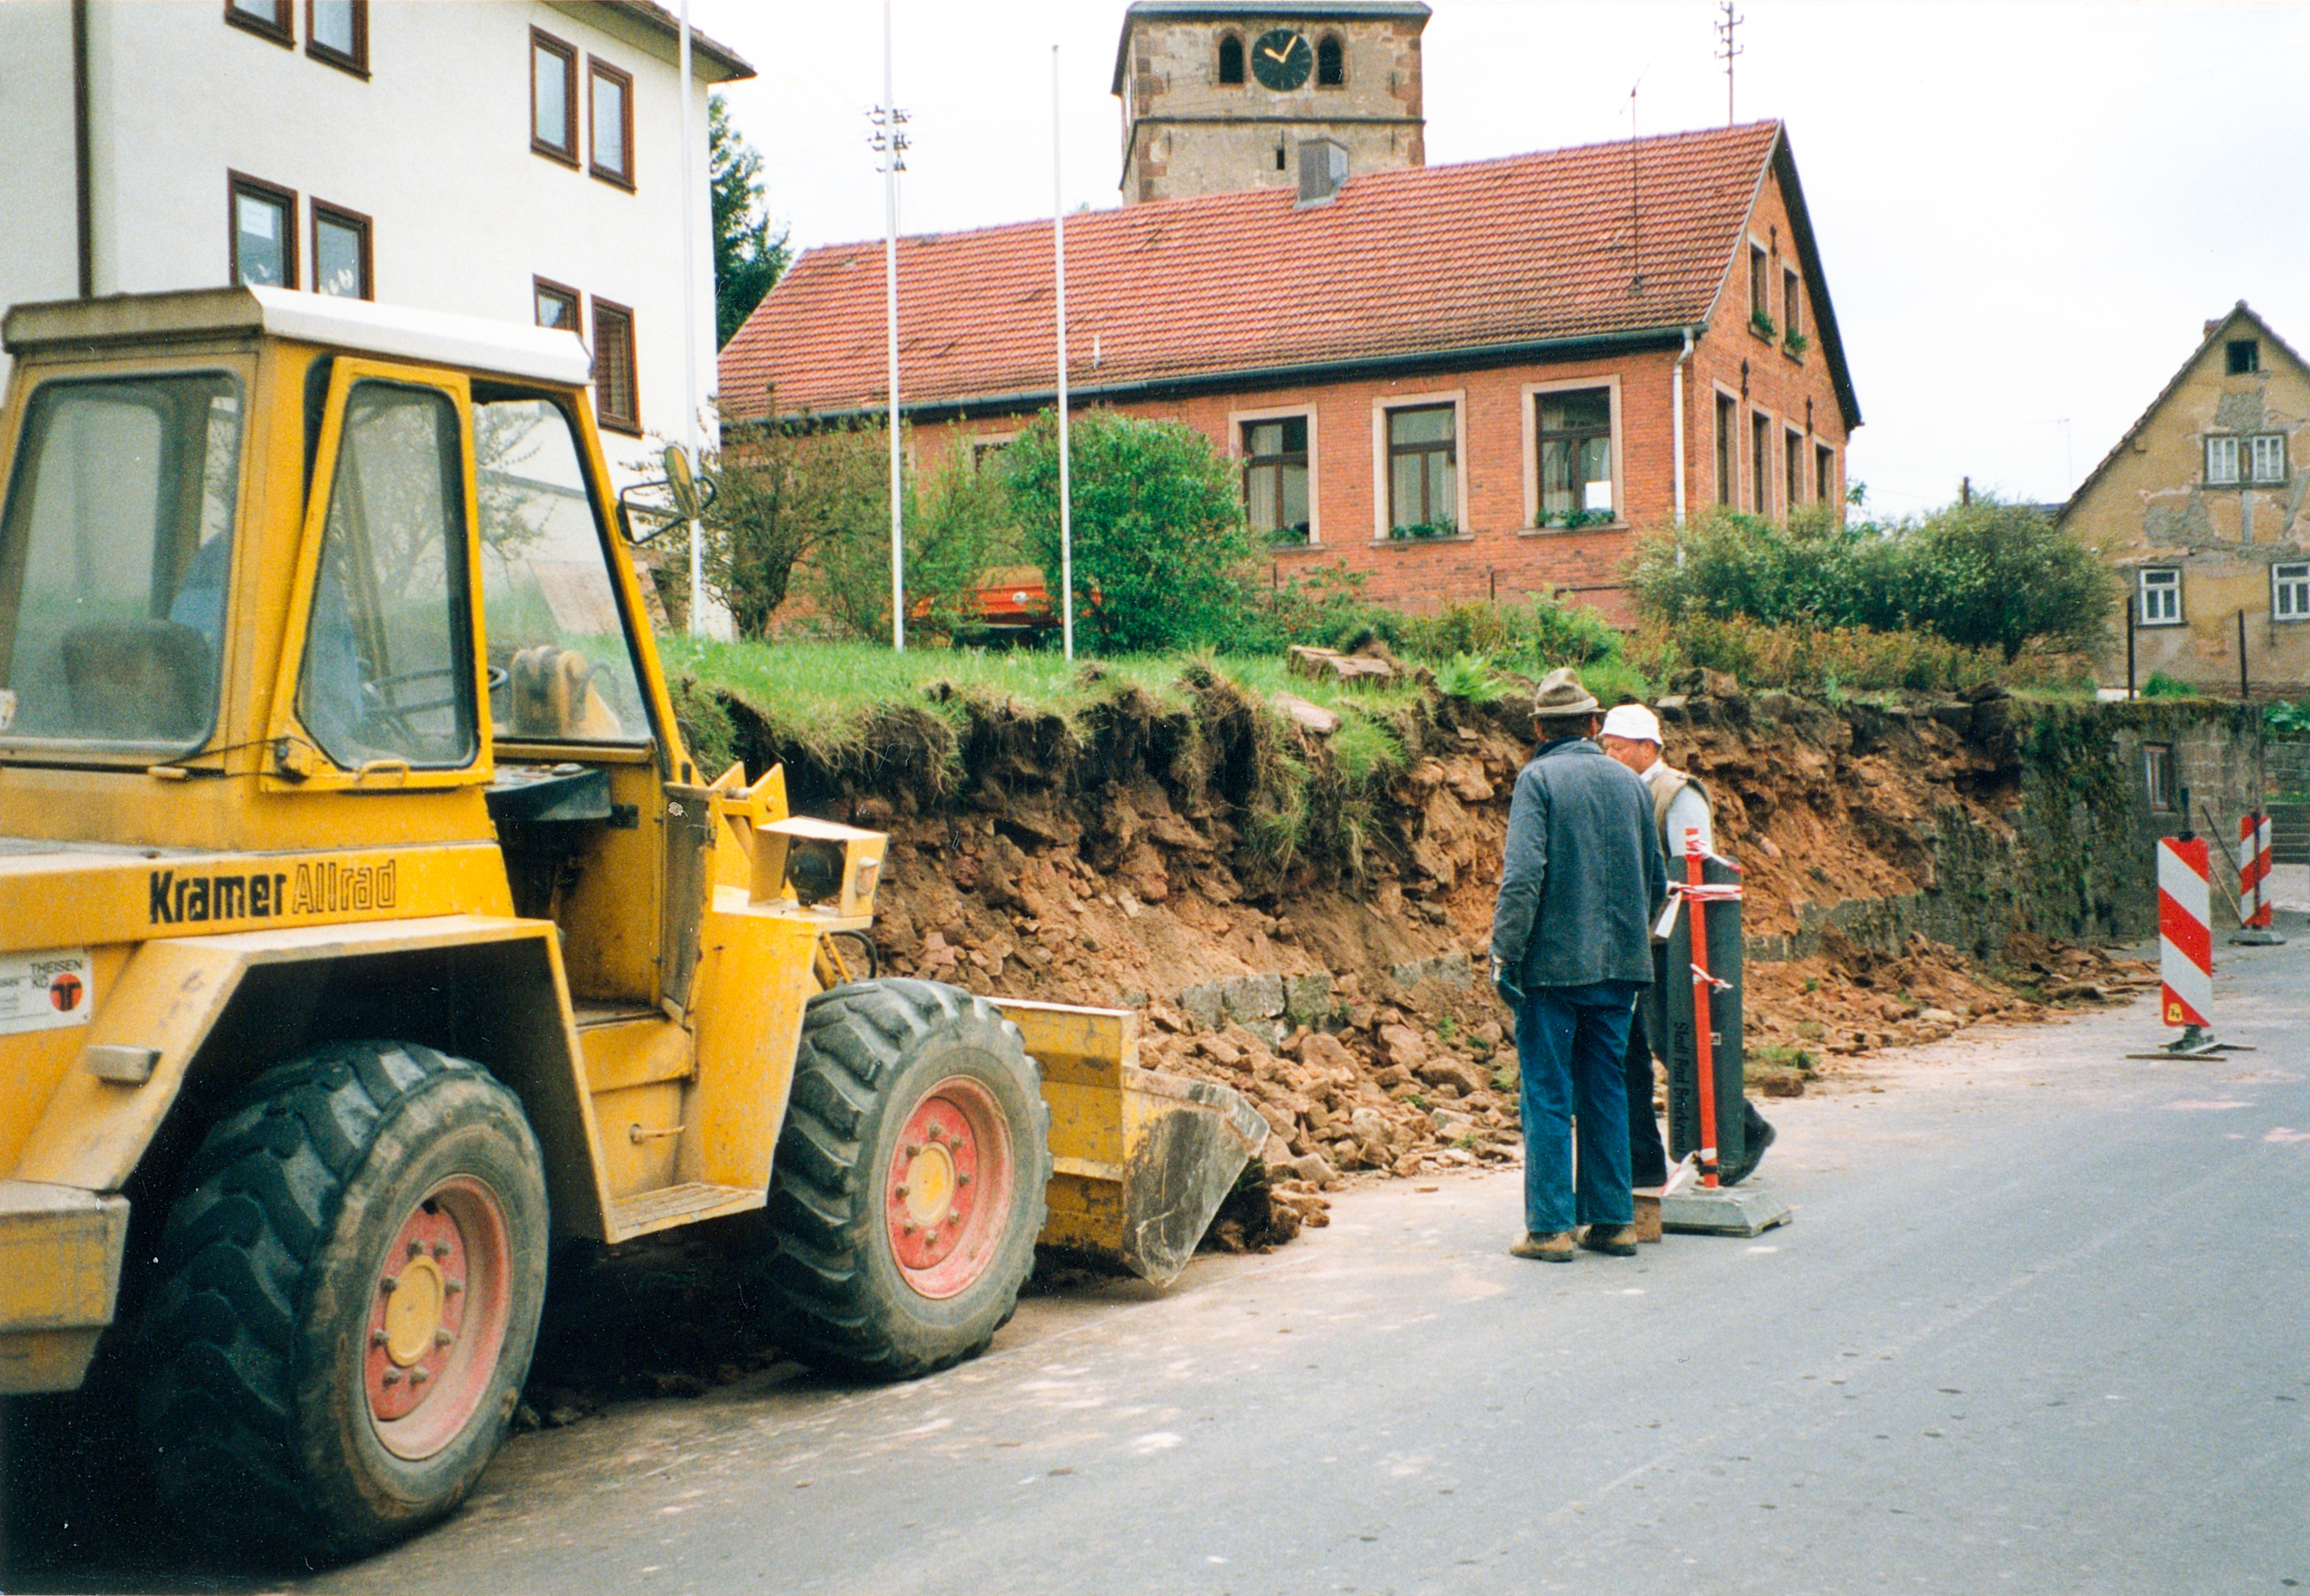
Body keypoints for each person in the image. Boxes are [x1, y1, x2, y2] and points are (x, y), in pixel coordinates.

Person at [1491, 669, 1667, 1262]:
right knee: (1605, 1086)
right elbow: (1656, 881)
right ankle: (1613, 1222)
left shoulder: (1536, 779)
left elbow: (1522, 878)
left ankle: (1549, 1229)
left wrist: (1505, 952)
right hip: (1620, 968)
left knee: (1546, 1090)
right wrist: (1626, 942)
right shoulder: (1631, 785)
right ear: (1595, 726)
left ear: (1539, 728)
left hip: (1552, 971)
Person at [1598, 702, 1777, 1236]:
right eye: (1604, 746)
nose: (1607, 755)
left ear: (1647, 749)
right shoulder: (1628, 791)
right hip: (1644, 939)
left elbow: (1692, 875)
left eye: (1616, 748)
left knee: (1674, 1040)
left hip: (1675, 943)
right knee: (1654, 1042)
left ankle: (1740, 1132)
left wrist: (1685, 946)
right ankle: (1699, 1142)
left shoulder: (1676, 794)